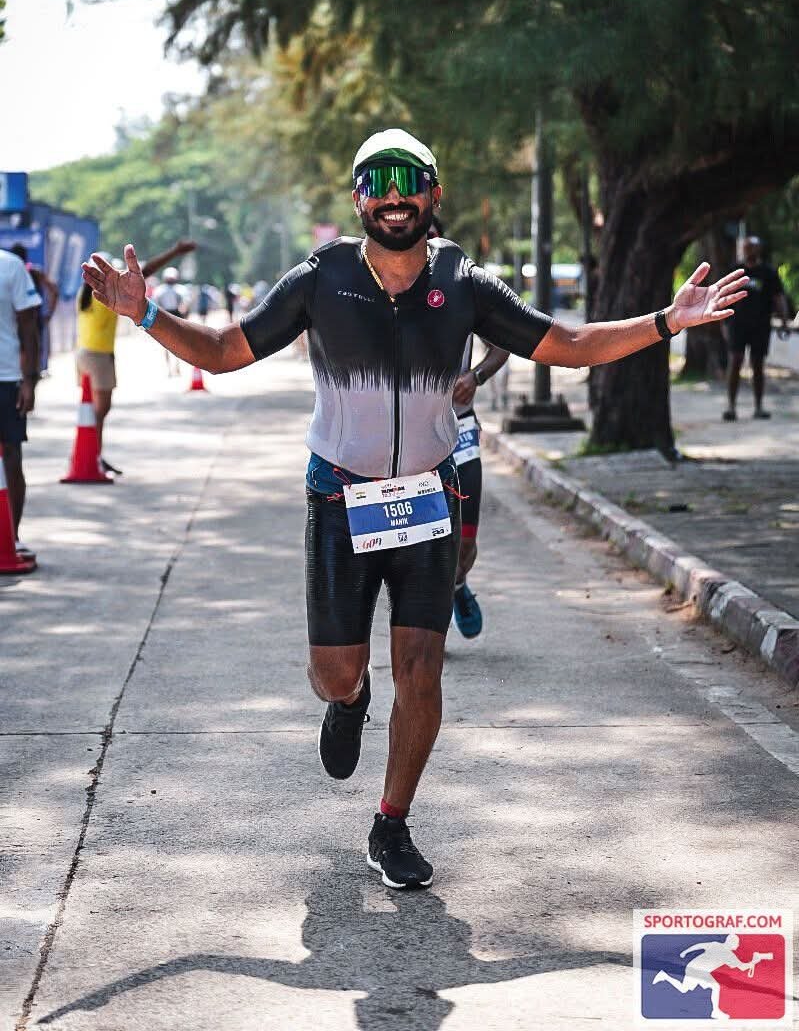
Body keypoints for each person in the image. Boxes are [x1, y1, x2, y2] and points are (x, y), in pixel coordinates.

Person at [81, 127, 749, 890]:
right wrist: (147, 314)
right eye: (378, 182)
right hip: (340, 495)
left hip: (428, 498)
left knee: (422, 670)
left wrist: (666, 321)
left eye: (409, 181)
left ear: (433, 194)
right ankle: (349, 701)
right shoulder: (322, 277)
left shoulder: (463, 280)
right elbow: (226, 349)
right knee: (334, 672)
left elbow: (566, 343)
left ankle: (391, 822)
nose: (393, 196)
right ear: (357, 199)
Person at [428, 217, 509, 639]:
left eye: (430, 235)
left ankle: (458, 583)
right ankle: (425, 615)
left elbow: (502, 346)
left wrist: (475, 376)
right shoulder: (381, 290)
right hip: (408, 438)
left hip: (459, 428)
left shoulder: (461, 287)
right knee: (416, 541)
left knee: (464, 542)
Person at [76, 241, 196, 475]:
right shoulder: (101, 295)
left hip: (84, 354)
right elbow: (145, 272)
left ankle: (92, 455)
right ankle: (94, 456)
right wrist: (173, 251)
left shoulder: (84, 296)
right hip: (99, 356)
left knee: (92, 410)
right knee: (99, 411)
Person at [0, 246, 41, 559]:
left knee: (12, 455)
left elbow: (29, 327)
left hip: (6, 377)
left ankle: (11, 537)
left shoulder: (10, 266)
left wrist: (29, 380)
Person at [723, 236, 790, 421]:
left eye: (752, 247)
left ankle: (759, 407)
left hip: (760, 325)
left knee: (757, 364)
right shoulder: (735, 271)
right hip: (737, 324)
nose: (749, 250)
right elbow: (723, 296)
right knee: (735, 361)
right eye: (746, 247)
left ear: (759, 249)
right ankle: (731, 407)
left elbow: (779, 297)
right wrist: (723, 322)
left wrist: (784, 321)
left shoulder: (768, 272)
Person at [10, 244, 59, 375]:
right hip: (32, 321)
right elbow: (54, 290)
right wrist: (49, 314)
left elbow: (54, 291)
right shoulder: (34, 272)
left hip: (15, 321)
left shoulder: (11, 274)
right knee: (31, 360)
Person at [153, 265, 191, 377]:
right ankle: (170, 368)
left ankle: (176, 366)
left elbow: (185, 303)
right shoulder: (160, 290)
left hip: (175, 316)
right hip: (166, 316)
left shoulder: (180, 289)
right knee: (166, 344)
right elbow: (156, 304)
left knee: (178, 343)